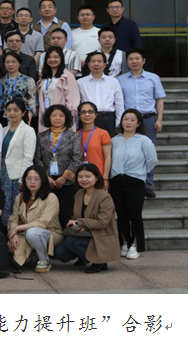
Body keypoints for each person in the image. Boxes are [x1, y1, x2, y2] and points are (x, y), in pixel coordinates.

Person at [54, 164, 120, 273]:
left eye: (88, 176)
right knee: (60, 252)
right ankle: (84, 258)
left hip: (100, 235)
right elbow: (75, 216)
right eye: (80, 176)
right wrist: (76, 225)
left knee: (71, 242)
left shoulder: (105, 197)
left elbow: (102, 223)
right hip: (83, 232)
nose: (84, 179)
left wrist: (80, 222)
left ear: (96, 178)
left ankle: (100, 261)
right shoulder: (78, 194)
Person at [118, 48, 166, 198]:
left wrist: (159, 119)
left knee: (148, 151)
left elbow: (159, 99)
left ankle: (147, 185)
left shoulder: (153, 78)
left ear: (143, 61)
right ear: (127, 62)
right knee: (128, 151)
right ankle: (130, 182)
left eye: (137, 59)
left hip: (148, 119)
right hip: (128, 121)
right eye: (131, 59)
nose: (134, 61)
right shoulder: (120, 80)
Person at [111, 110, 158, 259]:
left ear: (138, 123)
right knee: (121, 214)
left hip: (135, 181)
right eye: (125, 119)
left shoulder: (144, 140)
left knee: (135, 215)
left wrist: (141, 173)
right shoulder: (114, 140)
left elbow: (152, 160)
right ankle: (125, 242)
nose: (128, 122)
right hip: (117, 180)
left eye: (132, 120)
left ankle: (135, 245)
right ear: (121, 121)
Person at [7, 165, 63, 273]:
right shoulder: (20, 197)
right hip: (25, 232)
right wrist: (13, 235)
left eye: (37, 179)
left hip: (50, 233)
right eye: (29, 178)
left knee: (32, 233)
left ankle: (44, 259)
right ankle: (34, 254)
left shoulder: (51, 197)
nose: (32, 182)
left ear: (43, 180)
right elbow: (13, 218)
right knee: (14, 250)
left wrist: (17, 228)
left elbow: (43, 222)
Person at [34, 104, 82, 228]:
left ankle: (66, 236)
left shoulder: (74, 136)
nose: (57, 118)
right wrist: (45, 177)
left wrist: (65, 177)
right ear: (48, 118)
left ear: (66, 118)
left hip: (67, 182)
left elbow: (77, 158)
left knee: (66, 211)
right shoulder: (41, 136)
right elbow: (37, 159)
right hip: (46, 181)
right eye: (54, 115)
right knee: (46, 213)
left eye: (61, 115)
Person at [0, 99, 37, 225]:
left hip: (18, 173)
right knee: (5, 202)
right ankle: (5, 229)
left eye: (16, 110)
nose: (12, 113)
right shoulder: (4, 129)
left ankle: (16, 229)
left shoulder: (28, 130)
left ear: (23, 112)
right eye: (9, 110)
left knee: (16, 204)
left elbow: (28, 156)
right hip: (4, 171)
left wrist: (23, 178)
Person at [77, 51, 125, 137]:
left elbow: (119, 104)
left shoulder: (113, 82)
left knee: (108, 144)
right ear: (88, 64)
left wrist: (119, 123)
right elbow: (77, 103)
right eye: (93, 61)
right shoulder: (80, 82)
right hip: (87, 119)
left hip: (108, 119)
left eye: (99, 61)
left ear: (105, 65)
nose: (96, 64)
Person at [37, 46, 80, 132]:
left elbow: (73, 100)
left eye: (56, 57)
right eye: (49, 57)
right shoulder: (44, 78)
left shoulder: (68, 76)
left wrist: (67, 118)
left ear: (61, 59)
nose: (52, 59)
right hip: (45, 117)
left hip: (62, 119)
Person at [77, 101, 112, 187]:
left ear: (95, 115)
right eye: (83, 112)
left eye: (90, 112)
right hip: (81, 178)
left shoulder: (103, 133)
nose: (87, 114)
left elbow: (108, 157)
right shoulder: (75, 135)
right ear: (79, 115)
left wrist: (105, 177)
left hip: (98, 176)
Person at [0, 51, 36, 122]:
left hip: (22, 116)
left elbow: (31, 102)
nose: (10, 64)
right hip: (5, 117)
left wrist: (28, 120)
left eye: (14, 62)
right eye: (7, 62)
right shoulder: (1, 81)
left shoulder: (28, 80)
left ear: (19, 63)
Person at [71, 5, 100, 72]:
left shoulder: (100, 33)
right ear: (78, 17)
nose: (85, 17)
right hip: (76, 70)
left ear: (93, 17)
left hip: (96, 70)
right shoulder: (71, 34)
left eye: (88, 14)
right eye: (82, 15)